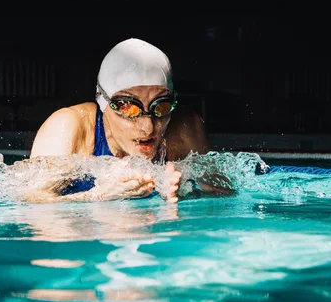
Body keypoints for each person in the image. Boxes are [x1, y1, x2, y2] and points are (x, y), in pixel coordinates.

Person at [27, 38, 230, 203]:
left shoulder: (184, 128)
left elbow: (225, 200)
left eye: (161, 105)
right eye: (128, 107)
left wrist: (187, 192)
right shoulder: (68, 127)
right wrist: (99, 195)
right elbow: (28, 201)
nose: (148, 126)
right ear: (103, 102)